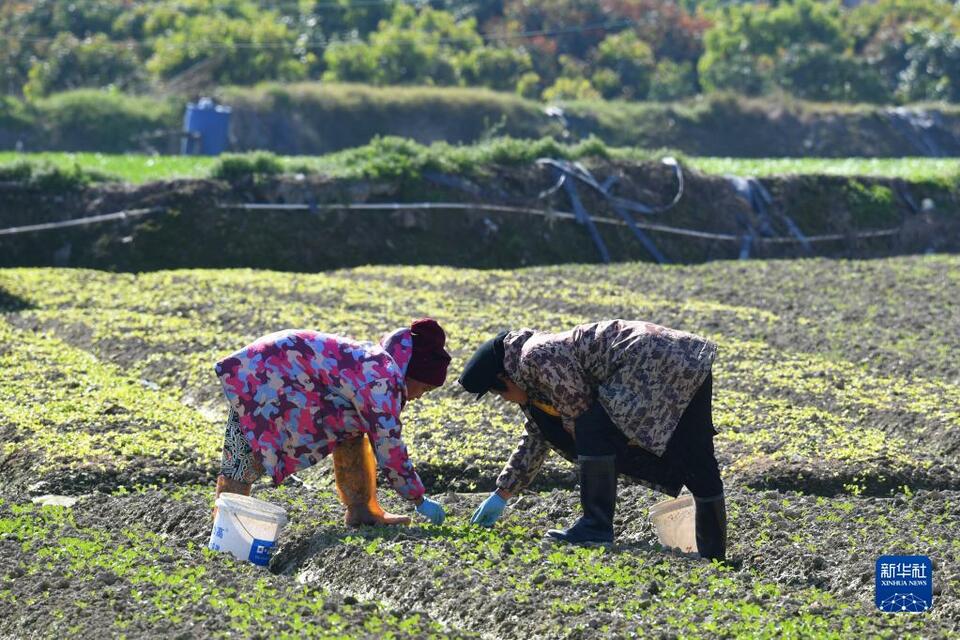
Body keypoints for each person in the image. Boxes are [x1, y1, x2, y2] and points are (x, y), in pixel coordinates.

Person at [459, 319, 726, 561]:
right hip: (691, 358)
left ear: (504, 377)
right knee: (695, 452)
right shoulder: (534, 372)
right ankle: (713, 554)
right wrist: (502, 493)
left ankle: (595, 526)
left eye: (498, 393)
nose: (505, 399)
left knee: (590, 424)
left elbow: (579, 410)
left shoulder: (535, 355)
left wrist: (592, 444)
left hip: (649, 360)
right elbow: (537, 435)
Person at [213, 318, 450, 526]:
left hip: (279, 363)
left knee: (351, 428)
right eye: (425, 388)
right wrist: (418, 498)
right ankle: (226, 529)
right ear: (411, 371)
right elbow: (390, 447)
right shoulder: (382, 381)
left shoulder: (379, 366)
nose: (419, 396)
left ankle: (362, 511)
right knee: (245, 454)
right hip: (266, 371)